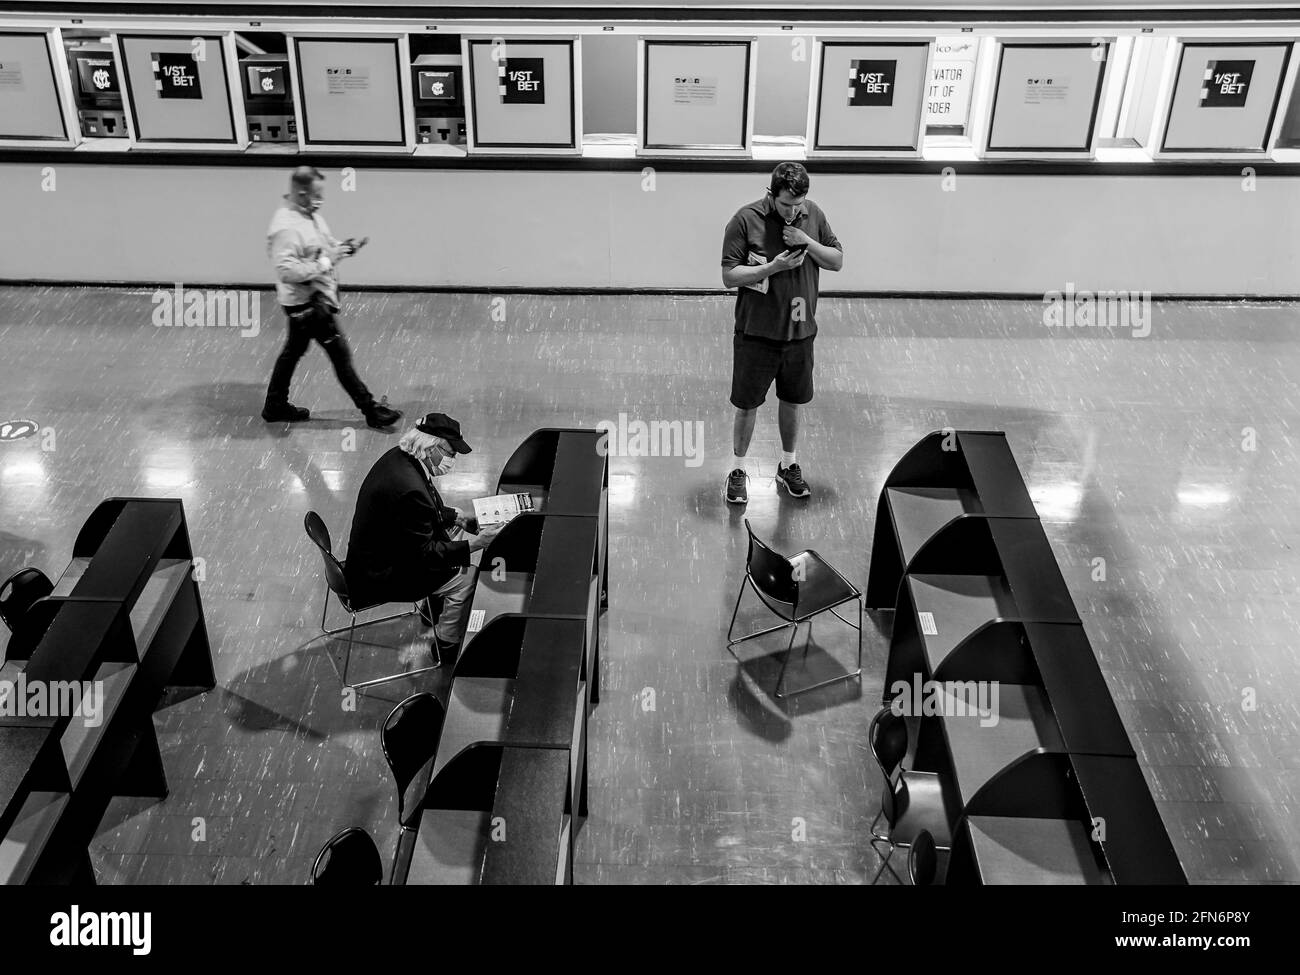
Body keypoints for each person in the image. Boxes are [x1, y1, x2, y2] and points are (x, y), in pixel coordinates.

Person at [719, 162, 843, 503]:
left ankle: (788, 465)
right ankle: (738, 470)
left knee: (792, 401)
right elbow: (729, 276)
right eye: (786, 204)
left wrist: (806, 240)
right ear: (771, 194)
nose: (793, 211)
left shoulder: (813, 215)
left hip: (800, 332)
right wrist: (773, 267)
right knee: (747, 405)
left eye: (798, 204)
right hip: (756, 333)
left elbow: (836, 260)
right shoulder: (745, 220)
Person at [343, 412, 502, 665]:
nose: (453, 460)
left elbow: (425, 512)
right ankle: (447, 644)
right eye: (450, 453)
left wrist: (458, 517)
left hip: (378, 552)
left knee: (454, 531)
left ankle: (432, 610)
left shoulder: (401, 458)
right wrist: (477, 543)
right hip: (378, 575)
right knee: (468, 577)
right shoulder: (409, 488)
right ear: (431, 448)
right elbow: (424, 555)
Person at [262, 166, 401, 429]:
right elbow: (287, 271)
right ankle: (371, 410)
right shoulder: (287, 228)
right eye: (316, 194)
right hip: (308, 306)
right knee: (340, 356)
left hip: (310, 300)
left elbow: (321, 245)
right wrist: (326, 262)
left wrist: (341, 248)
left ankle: (274, 405)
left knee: (292, 352)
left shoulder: (308, 216)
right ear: (301, 193)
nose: (320, 200)